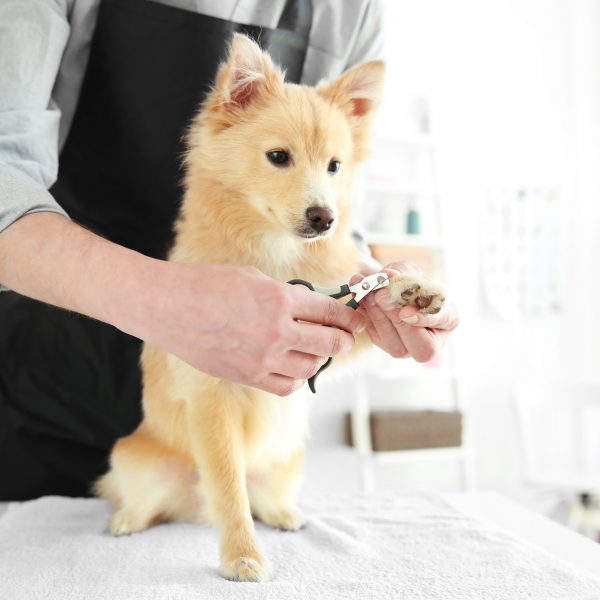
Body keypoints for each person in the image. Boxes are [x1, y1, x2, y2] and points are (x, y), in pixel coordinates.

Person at [0, 0, 459, 500]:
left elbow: (333, 211)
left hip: (236, 449)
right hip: (44, 394)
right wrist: (164, 302)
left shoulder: (351, 11)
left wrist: (375, 290)